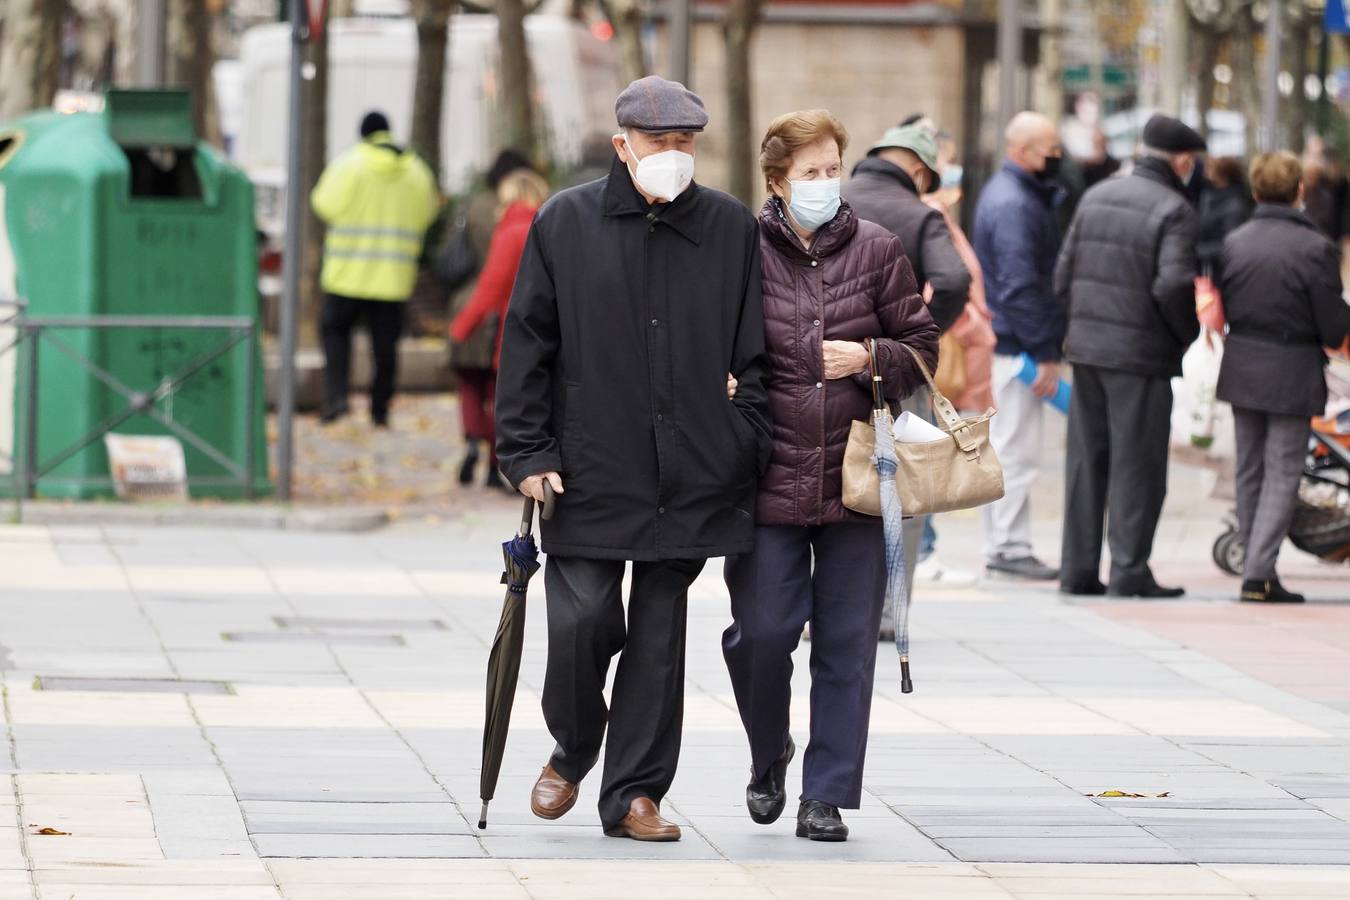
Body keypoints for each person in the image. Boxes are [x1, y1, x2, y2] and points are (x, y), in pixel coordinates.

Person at [495, 76, 771, 843]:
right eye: (660, 142)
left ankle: (636, 795)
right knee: (583, 619)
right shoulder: (564, 222)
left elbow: (757, 357)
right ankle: (574, 746)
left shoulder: (726, 226)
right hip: (588, 467)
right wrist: (525, 452)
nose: (675, 155)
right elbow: (526, 349)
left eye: (687, 142)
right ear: (623, 145)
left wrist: (741, 434)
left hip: (694, 468)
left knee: (658, 633)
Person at [723, 109, 938, 843]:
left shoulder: (878, 248)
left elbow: (921, 345)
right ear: (776, 180)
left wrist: (870, 357)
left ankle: (826, 794)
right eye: (809, 172)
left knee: (847, 642)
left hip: (856, 473)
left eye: (831, 169)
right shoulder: (740, 250)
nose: (824, 183)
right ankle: (768, 751)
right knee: (761, 634)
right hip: (767, 475)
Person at [1054, 114, 1204, 597]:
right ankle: (1129, 569)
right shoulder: (1175, 208)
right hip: (1140, 354)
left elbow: (1062, 275)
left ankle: (1077, 570)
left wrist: (1078, 327)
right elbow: (1175, 284)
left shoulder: (1096, 196)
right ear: (1182, 161)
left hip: (1088, 350)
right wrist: (1185, 335)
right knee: (1137, 464)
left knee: (1085, 461)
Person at [843, 122, 972, 596]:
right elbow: (954, 280)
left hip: (823, 368)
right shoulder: (920, 215)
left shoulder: (831, 200)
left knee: (828, 485)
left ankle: (828, 607)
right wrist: (923, 335)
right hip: (896, 370)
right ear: (919, 172)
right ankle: (886, 608)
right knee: (905, 486)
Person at [1216, 152, 1350, 603]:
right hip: (1293, 368)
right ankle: (1259, 572)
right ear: (1299, 192)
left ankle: (1257, 568)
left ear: (1256, 190)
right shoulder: (1315, 247)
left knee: (1249, 469)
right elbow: (1333, 327)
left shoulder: (1234, 241)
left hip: (1242, 363)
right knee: (1282, 471)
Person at [971, 112, 1065, 582]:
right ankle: (1008, 545)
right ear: (1024, 150)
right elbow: (1020, 284)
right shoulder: (1015, 204)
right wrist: (1044, 351)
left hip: (1013, 341)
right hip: (1017, 347)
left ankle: (1007, 542)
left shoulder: (1013, 196)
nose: (1058, 156)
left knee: (1012, 447)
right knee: (1016, 449)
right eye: (1050, 147)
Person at [311, 111, 439, 427]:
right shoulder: (418, 172)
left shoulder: (348, 165)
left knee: (335, 333)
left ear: (364, 134)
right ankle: (379, 410)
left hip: (346, 276)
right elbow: (429, 213)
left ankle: (338, 398)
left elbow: (322, 204)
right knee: (385, 347)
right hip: (392, 279)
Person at [448, 169, 551, 487]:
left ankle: (500, 464)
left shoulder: (512, 231)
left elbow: (491, 287)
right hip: (552, 332)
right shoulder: (550, 225)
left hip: (517, 331)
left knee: (501, 400)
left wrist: (460, 329)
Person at [1197, 157, 1252, 281]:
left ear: (1223, 175)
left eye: (1211, 168)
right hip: (1209, 269)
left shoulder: (1235, 205)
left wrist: (1199, 251)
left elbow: (1231, 244)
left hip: (1224, 273)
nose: (1206, 171)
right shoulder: (1208, 196)